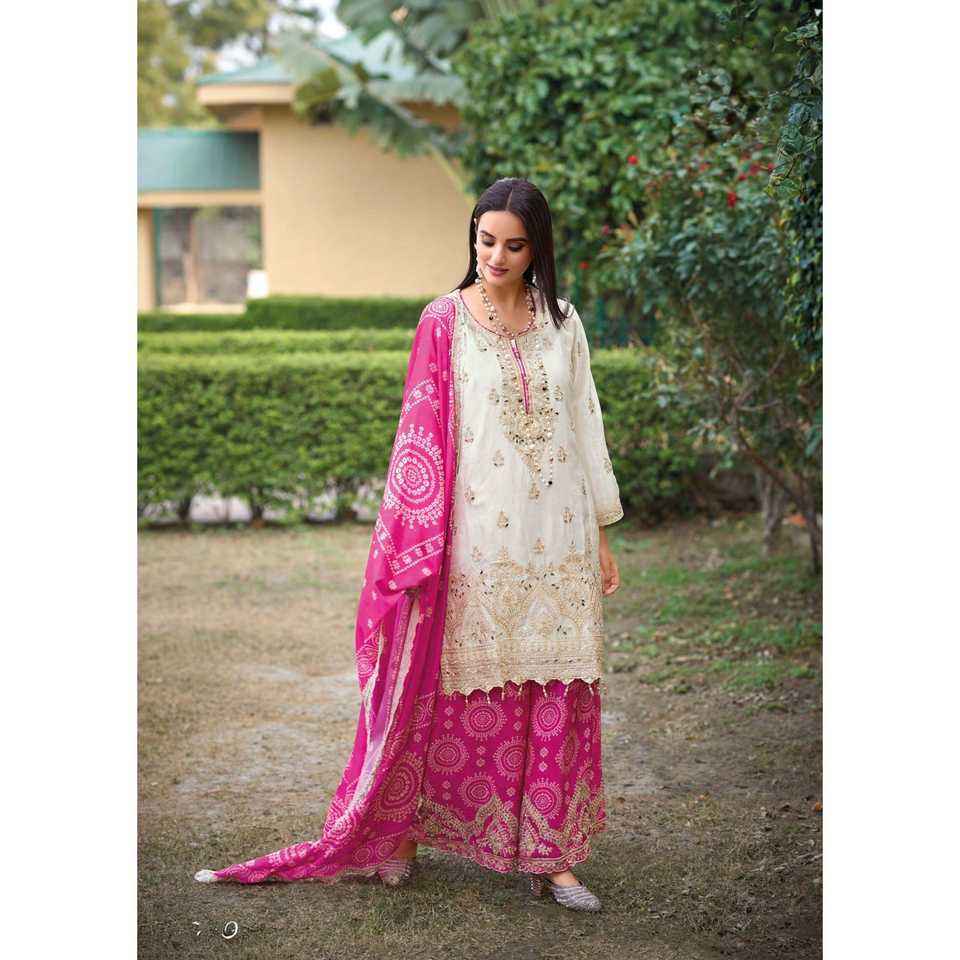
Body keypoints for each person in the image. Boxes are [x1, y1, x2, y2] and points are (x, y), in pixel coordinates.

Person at [194, 177, 622, 913]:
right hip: (473, 541)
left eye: (514, 245)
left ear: (538, 250)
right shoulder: (443, 321)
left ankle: (552, 856)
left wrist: (604, 533)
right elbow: (419, 433)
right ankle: (403, 834)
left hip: (559, 542)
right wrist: (417, 541)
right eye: (485, 239)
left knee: (553, 686)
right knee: (447, 691)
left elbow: (586, 423)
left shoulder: (563, 321)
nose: (495, 256)